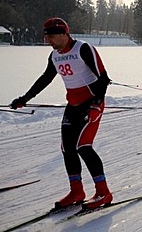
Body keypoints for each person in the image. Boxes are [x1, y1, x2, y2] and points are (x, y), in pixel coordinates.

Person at [9, 17, 113, 210]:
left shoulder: (83, 48)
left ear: (64, 34)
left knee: (84, 146)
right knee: (67, 148)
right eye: (47, 37)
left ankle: (103, 192)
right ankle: (77, 191)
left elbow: (104, 79)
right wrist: (25, 98)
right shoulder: (55, 55)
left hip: (91, 102)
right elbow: (46, 78)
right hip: (73, 105)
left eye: (52, 36)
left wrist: (97, 104)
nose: (48, 41)